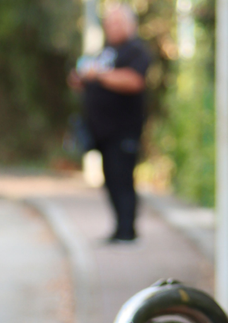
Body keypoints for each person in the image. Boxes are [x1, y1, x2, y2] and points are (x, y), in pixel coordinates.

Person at [69, 4, 151, 243]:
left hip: (124, 129)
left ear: (129, 24)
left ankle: (128, 231)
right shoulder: (104, 51)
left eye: (116, 22)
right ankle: (119, 229)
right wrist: (81, 78)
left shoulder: (136, 51)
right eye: (109, 23)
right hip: (101, 131)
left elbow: (135, 81)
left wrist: (100, 76)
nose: (111, 27)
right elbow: (86, 74)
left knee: (123, 178)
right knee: (110, 180)